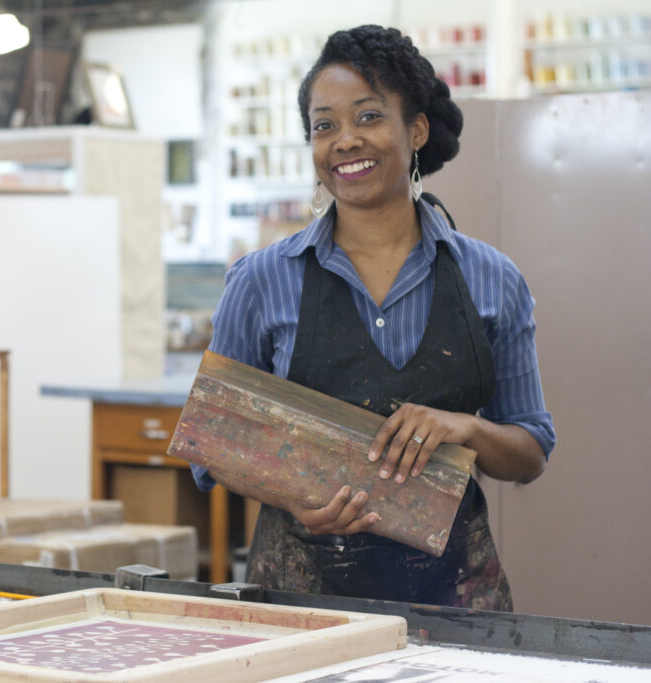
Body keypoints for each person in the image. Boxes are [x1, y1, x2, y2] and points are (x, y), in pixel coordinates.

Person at [191, 25, 555, 611]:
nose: (344, 141)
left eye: (368, 117)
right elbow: (211, 446)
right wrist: (289, 496)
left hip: (455, 600)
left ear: (415, 130)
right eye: (324, 125)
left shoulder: (492, 279)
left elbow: (530, 451)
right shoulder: (261, 279)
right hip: (298, 599)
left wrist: (465, 427)